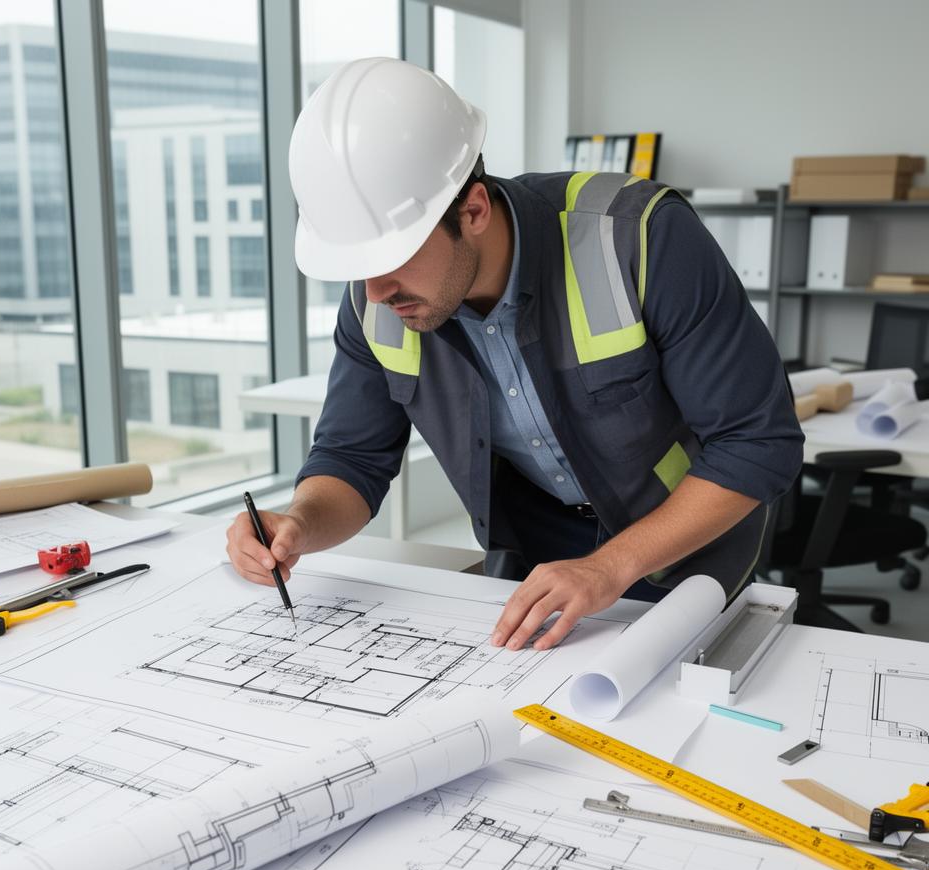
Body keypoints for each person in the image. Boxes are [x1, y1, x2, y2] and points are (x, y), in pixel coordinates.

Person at [227, 57, 803, 652]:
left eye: (389, 257)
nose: (372, 292)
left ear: (472, 210)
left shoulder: (636, 237)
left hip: (682, 547)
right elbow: (351, 458)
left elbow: (757, 442)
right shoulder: (378, 301)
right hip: (535, 559)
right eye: (356, 266)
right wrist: (300, 522)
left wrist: (609, 566)